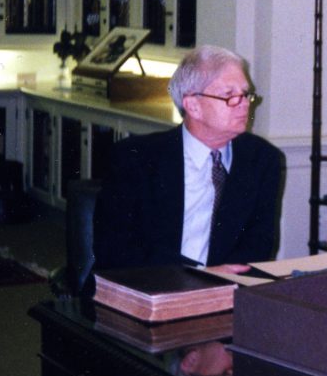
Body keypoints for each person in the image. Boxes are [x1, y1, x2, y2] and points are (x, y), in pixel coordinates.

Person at [93, 44, 286, 275]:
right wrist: (198, 275)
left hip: (225, 291)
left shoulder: (263, 160)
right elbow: (116, 250)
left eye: (245, 94)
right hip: (148, 285)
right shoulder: (135, 159)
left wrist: (216, 283)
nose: (244, 104)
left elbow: (259, 245)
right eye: (229, 96)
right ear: (193, 105)